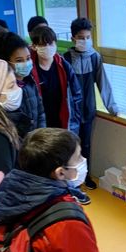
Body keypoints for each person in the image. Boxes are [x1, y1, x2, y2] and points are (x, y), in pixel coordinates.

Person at [29, 26, 89, 204]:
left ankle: (70, 190)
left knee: (65, 157)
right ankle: (48, 194)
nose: (48, 47)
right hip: (41, 121)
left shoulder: (62, 65)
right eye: (43, 44)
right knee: (45, 159)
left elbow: (76, 94)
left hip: (63, 119)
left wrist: (76, 118)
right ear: (34, 46)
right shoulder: (30, 69)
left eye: (51, 43)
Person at [64, 17, 118, 191]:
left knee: (86, 145)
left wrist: (111, 106)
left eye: (88, 37)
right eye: (81, 37)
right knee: (71, 146)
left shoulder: (95, 57)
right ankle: (71, 181)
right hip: (71, 111)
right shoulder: (65, 58)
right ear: (73, 38)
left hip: (88, 110)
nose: (85, 41)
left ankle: (85, 176)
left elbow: (103, 82)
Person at [0, 32, 46, 136]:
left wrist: (41, 135)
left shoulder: (30, 81)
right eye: (19, 60)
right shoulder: (3, 90)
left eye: (28, 58)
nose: (26, 63)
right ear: (5, 62)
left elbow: (41, 112)